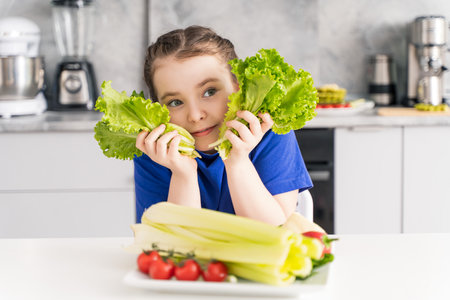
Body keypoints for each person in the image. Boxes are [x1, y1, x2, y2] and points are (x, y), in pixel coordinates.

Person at [134, 25, 312, 226]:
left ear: (237, 88)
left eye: (209, 92)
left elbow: (275, 234)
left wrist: (237, 161)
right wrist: (183, 174)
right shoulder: (155, 150)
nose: (195, 115)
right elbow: (171, 248)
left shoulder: (271, 132)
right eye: (175, 102)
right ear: (158, 109)